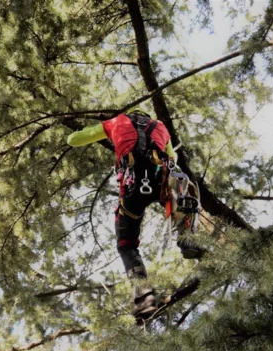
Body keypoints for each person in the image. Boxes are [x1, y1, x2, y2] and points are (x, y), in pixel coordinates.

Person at [67, 108, 200, 320]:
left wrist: (107, 134)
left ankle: (143, 296)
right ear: (147, 116)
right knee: (185, 194)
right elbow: (172, 156)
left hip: (133, 187)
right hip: (161, 181)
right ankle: (187, 238)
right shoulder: (160, 126)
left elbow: (73, 139)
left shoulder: (116, 122)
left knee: (126, 244)